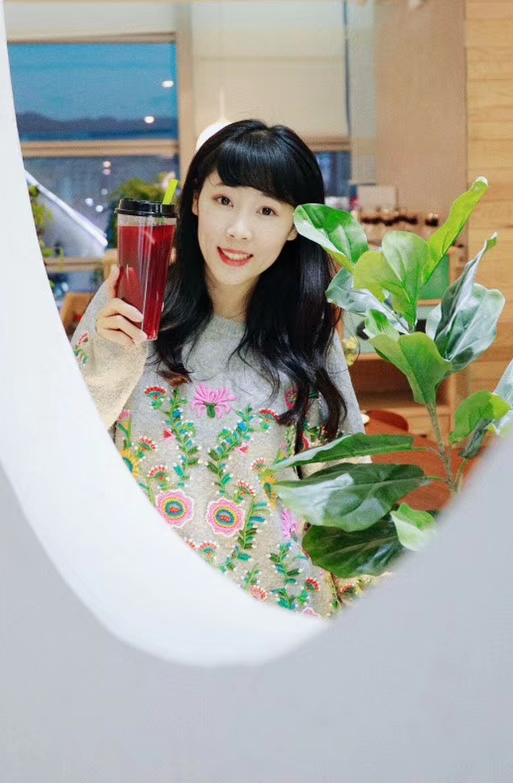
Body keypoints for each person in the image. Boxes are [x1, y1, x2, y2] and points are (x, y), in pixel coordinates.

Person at [71, 121, 362, 617]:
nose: (238, 229)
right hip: (149, 605)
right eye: (224, 200)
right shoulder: (132, 302)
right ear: (195, 202)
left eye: (267, 210)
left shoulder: (307, 330)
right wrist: (112, 357)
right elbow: (66, 445)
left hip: (279, 611)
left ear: (294, 227)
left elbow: (343, 488)